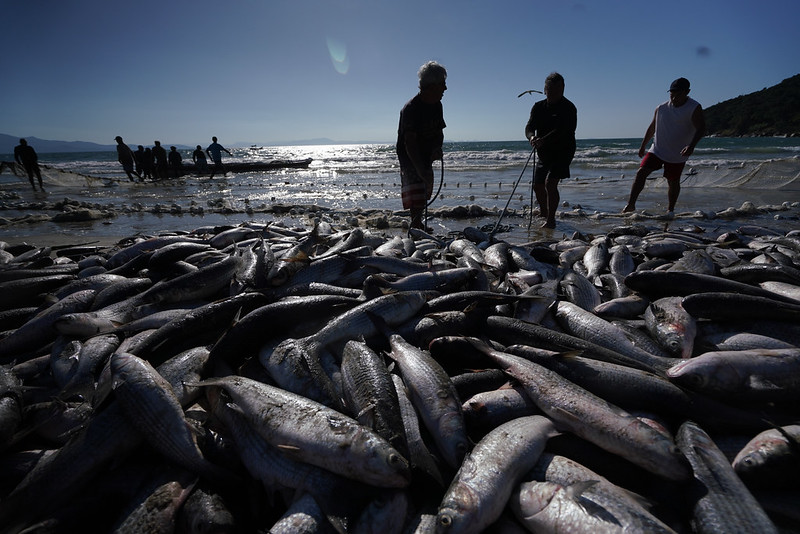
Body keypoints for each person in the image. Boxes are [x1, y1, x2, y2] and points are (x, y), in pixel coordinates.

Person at [623, 77, 706, 216]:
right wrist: (643, 146)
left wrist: (691, 146)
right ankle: (630, 205)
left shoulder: (693, 107)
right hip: (657, 150)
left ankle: (670, 210)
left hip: (677, 153)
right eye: (672, 94)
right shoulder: (661, 108)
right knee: (641, 172)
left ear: (687, 92)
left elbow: (701, 128)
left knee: (673, 181)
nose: (674, 98)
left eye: (678, 94)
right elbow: (652, 127)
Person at [397, 60, 447, 231]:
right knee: (416, 189)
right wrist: (420, 168)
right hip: (409, 155)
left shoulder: (437, 105)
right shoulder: (411, 109)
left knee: (425, 189)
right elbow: (409, 143)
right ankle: (416, 226)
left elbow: (439, 131)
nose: (445, 88)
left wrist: (437, 148)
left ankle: (418, 224)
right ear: (431, 86)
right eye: (442, 84)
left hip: (426, 153)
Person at [524, 72, 577, 229]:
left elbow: (564, 130)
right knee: (537, 185)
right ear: (545, 90)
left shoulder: (569, 108)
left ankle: (551, 220)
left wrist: (543, 140)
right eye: (551, 90)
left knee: (550, 183)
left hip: (563, 150)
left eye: (558, 89)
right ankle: (544, 212)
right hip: (544, 151)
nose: (554, 93)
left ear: (563, 89)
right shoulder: (538, 107)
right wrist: (532, 137)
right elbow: (529, 126)